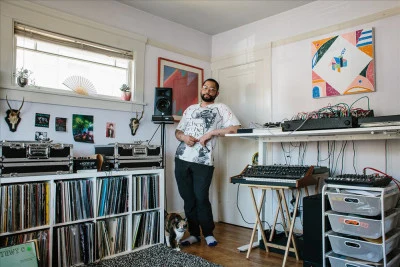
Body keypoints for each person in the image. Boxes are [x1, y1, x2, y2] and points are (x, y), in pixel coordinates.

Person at [174, 78, 240, 247]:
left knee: (201, 198)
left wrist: (211, 133)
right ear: (201, 90)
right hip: (181, 158)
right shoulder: (190, 109)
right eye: (205, 88)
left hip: (203, 161)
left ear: (216, 93)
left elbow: (234, 128)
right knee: (188, 199)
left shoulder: (221, 108)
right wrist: (183, 137)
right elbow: (178, 131)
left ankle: (208, 233)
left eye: (212, 89)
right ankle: (195, 234)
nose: (208, 91)